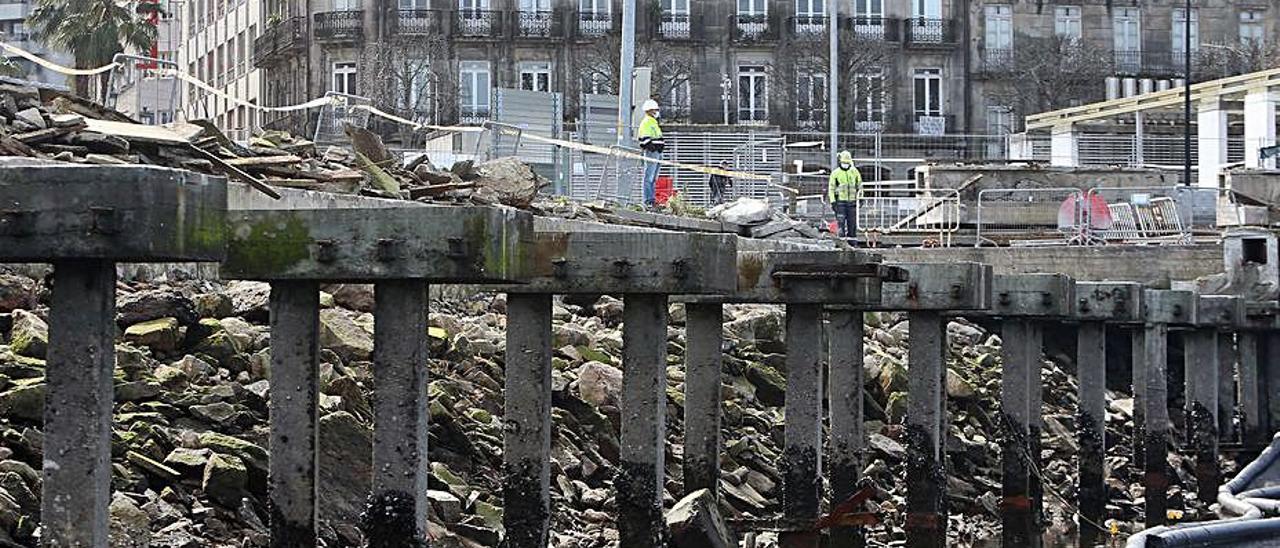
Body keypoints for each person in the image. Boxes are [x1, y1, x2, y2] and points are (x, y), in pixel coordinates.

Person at [637, 99, 665, 208]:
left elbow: (658, 137)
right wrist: (652, 148)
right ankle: (648, 200)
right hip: (652, 153)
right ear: (649, 110)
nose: (656, 112)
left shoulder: (653, 122)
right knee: (649, 178)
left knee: (653, 178)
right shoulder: (647, 122)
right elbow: (644, 139)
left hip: (657, 153)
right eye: (655, 110)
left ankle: (651, 200)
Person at [828, 150, 862, 240]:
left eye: (847, 162)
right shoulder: (835, 173)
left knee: (852, 225)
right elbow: (831, 189)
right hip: (840, 202)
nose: (845, 164)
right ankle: (842, 244)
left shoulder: (854, 172)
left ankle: (852, 243)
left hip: (852, 202)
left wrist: (860, 198)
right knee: (841, 224)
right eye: (844, 162)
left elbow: (859, 186)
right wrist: (833, 202)